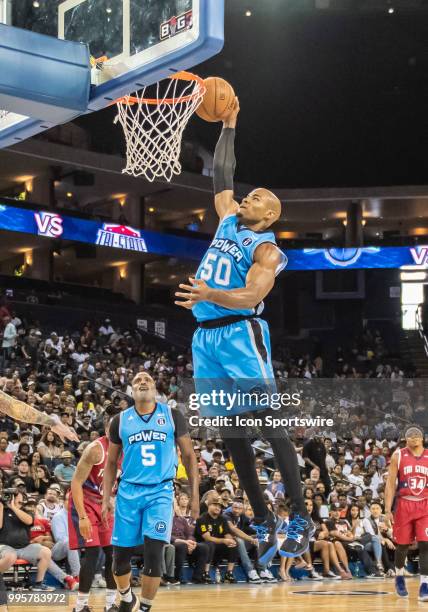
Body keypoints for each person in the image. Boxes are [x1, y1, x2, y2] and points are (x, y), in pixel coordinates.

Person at [175, 98, 313, 560]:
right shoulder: (229, 219)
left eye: (258, 199)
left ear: (270, 216)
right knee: (231, 432)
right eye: (249, 195)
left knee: (269, 424)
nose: (247, 197)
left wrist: (210, 294)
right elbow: (222, 175)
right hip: (205, 337)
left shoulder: (267, 251)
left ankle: (299, 515)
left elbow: (253, 296)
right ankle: (261, 515)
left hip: (240, 332)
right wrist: (229, 125)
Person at [102, 371, 199, 612]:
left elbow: (188, 456)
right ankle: (126, 598)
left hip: (160, 492)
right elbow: (111, 463)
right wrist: (106, 498)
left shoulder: (173, 415)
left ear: (155, 389)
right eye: (137, 380)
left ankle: (144, 607)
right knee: (119, 560)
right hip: (128, 492)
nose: (143, 382)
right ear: (132, 391)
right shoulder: (119, 421)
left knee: (154, 553)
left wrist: (195, 497)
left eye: (148, 379)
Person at [69, 404, 121, 612]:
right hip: (85, 501)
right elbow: (75, 483)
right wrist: (82, 517)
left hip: (105, 503)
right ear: (106, 428)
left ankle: (110, 605)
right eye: (110, 426)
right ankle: (80, 606)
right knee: (93, 553)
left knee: (112, 554)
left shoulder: (128, 449)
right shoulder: (95, 449)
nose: (113, 430)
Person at [385, 425, 428, 601]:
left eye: (416, 436)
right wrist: (387, 509)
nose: (413, 438)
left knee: (426, 544)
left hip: (425, 504)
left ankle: (425, 584)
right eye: (410, 436)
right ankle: (399, 576)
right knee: (402, 545)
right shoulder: (398, 455)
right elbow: (390, 483)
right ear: (406, 439)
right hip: (404, 504)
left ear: (422, 439)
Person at [194, 496, 238, 583]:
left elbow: (227, 534)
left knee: (234, 545)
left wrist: (230, 540)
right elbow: (207, 537)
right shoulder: (202, 519)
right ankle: (205, 573)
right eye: (215, 505)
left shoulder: (223, 519)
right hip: (203, 544)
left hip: (218, 544)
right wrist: (224, 541)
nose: (218, 508)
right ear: (209, 506)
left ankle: (229, 573)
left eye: (219, 506)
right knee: (210, 544)